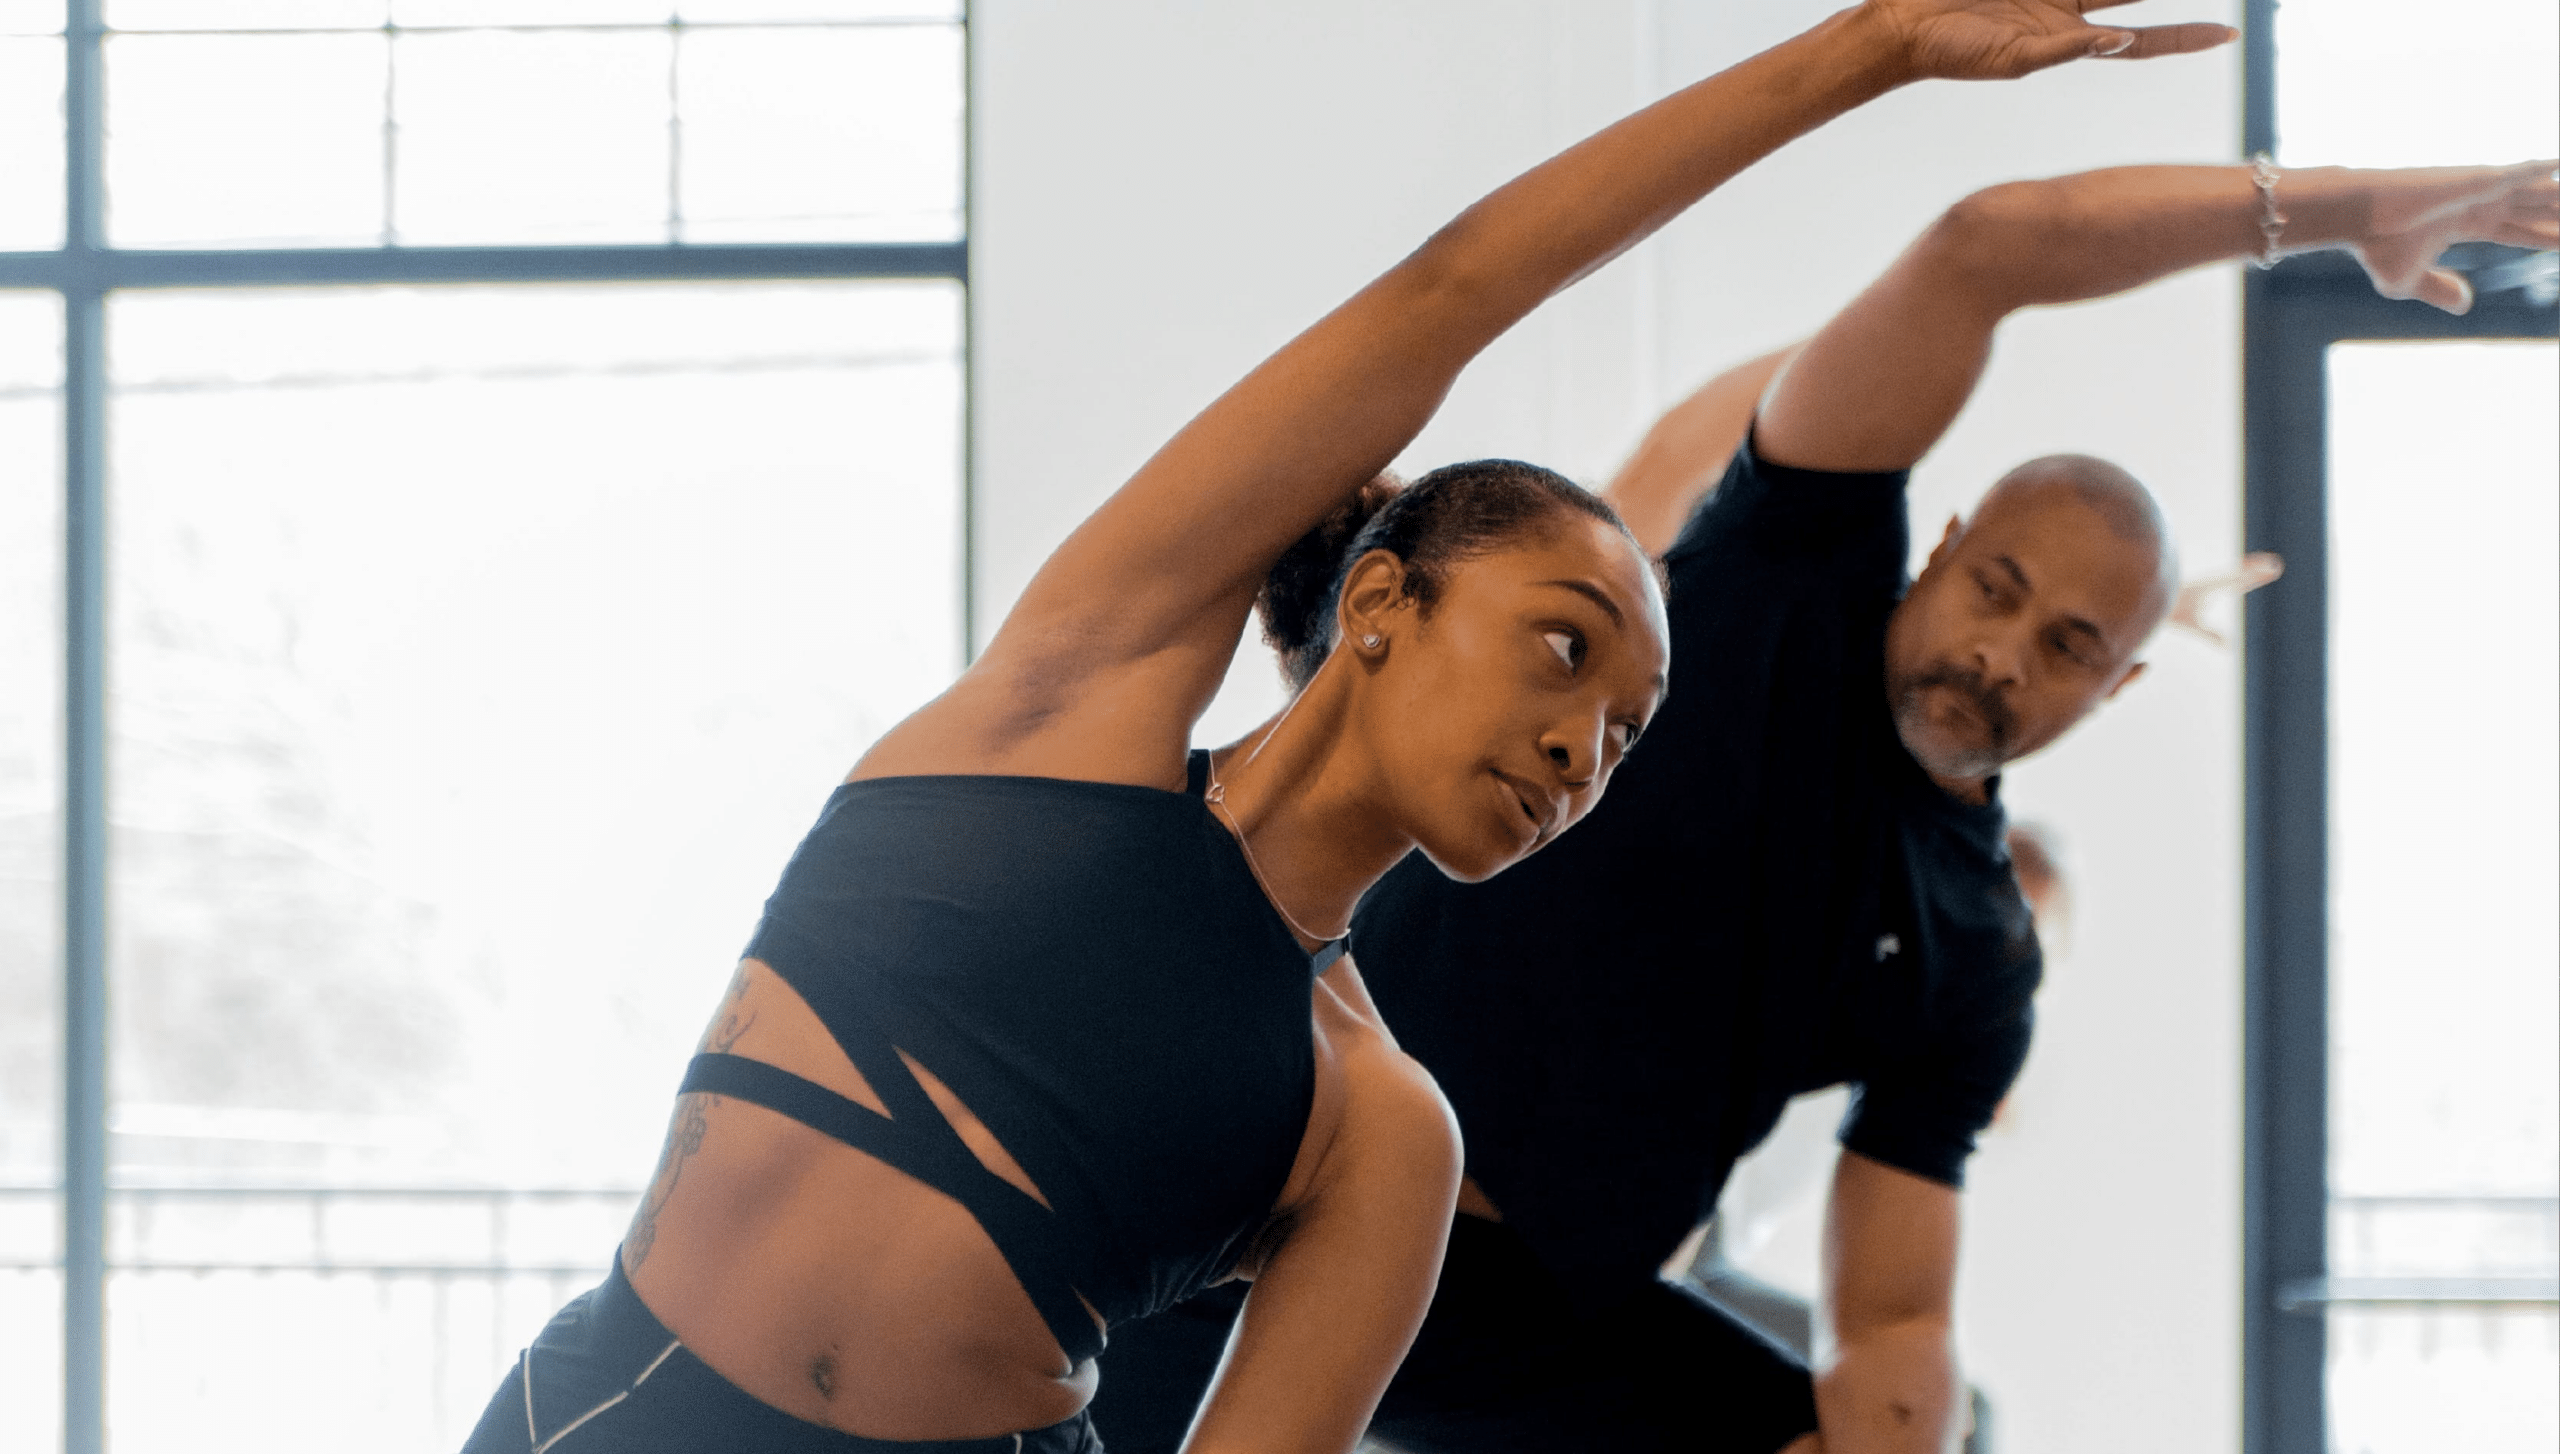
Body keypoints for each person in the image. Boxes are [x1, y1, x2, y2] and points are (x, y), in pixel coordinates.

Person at [458, 4, 2240, 1451]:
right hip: (613, 1416)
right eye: (1561, 650)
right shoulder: (1074, 694)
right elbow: (1449, 292)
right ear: (1382, 605)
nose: (1583, 747)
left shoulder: (1385, 1128)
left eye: (1629, 731)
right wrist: (1860, 56)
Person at [1088, 149, 2558, 1452]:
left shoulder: (1975, 943)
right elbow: (1984, 249)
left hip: (1537, 1309)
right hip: (1264, 1167)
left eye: (2068, 649)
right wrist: (2338, 208)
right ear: (1949, 538)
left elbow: (1897, 1309)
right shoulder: (1790, 575)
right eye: (2000, 589)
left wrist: (1902, 1424)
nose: (2002, 655)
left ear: (2115, 690)